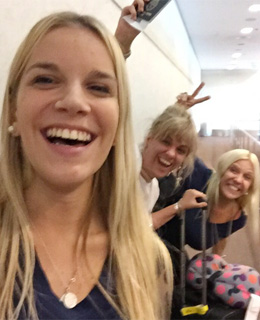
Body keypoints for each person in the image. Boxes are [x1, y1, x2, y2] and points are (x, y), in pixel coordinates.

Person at [0, 10, 173, 320]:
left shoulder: (149, 260)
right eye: (45, 80)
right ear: (13, 110)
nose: (74, 102)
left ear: (119, 123)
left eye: (99, 88)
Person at [158, 149, 260, 252]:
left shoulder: (238, 218)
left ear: (250, 187)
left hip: (169, 253)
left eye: (247, 177)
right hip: (149, 234)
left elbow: (221, 236)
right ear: (222, 169)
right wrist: (179, 206)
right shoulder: (199, 175)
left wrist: (216, 262)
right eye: (233, 170)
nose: (238, 180)